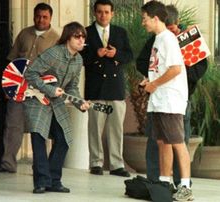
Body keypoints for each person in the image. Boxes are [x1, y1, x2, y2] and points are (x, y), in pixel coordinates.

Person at [136, 3, 207, 188]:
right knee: (161, 142)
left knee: (177, 141)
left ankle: (184, 185)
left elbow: (178, 69)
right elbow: (150, 64)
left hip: (173, 99)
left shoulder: (170, 39)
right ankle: (162, 181)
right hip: (159, 99)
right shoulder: (157, 39)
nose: (142, 23)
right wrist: (150, 81)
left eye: (144, 18)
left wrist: (158, 83)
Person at [0, 3, 59, 173]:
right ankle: (8, 164)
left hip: (40, 92)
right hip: (18, 89)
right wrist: (8, 87)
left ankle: (40, 167)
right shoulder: (24, 34)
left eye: (45, 17)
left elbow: (58, 69)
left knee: (40, 130)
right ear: (33, 16)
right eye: (38, 16)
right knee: (13, 125)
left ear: (50, 18)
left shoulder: (56, 39)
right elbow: (11, 61)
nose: (41, 20)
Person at [24, 21, 90, 194]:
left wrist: (79, 103)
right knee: (39, 139)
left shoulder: (78, 60)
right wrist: (50, 89)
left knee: (63, 139)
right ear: (68, 37)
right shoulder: (54, 53)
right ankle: (41, 182)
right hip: (37, 100)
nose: (81, 40)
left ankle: (54, 180)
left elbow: (72, 87)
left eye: (83, 36)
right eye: (77, 36)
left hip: (56, 102)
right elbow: (30, 73)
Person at [80, 0, 133, 177]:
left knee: (116, 128)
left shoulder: (120, 32)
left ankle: (117, 165)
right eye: (100, 12)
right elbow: (79, 58)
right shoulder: (86, 33)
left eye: (107, 12)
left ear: (113, 13)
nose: (103, 15)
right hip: (96, 89)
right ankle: (96, 163)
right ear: (94, 13)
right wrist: (96, 54)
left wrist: (115, 54)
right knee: (95, 126)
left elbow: (129, 55)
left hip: (115, 89)